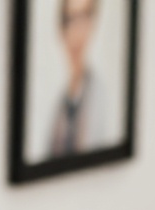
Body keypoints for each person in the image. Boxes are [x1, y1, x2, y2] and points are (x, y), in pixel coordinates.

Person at [42, 0, 104, 159]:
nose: (76, 31)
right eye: (70, 20)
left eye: (83, 17)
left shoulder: (102, 96)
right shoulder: (58, 105)